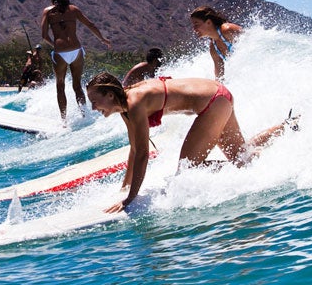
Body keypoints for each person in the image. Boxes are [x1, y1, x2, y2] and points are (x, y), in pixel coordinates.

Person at [86, 72, 291, 213]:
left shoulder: (135, 103)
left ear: (110, 95)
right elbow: (134, 148)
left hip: (213, 102)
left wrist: (130, 198)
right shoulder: (125, 105)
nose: (93, 107)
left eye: (94, 101)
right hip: (219, 94)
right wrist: (126, 187)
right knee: (241, 156)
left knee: (188, 169)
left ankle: (261, 165)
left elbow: (143, 154)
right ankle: (289, 126)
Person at [40, 0, 112, 118]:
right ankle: (84, 116)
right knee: (77, 86)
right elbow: (91, 25)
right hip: (76, 50)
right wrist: (102, 39)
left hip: (60, 53)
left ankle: (64, 120)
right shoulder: (74, 10)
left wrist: (55, 45)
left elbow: (44, 35)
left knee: (60, 86)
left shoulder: (48, 12)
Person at [189, 6, 243, 80]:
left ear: (208, 22)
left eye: (196, 24)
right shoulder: (213, 48)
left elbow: (253, 41)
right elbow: (219, 77)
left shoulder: (227, 30)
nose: (194, 29)